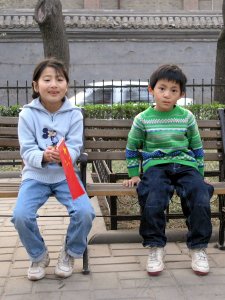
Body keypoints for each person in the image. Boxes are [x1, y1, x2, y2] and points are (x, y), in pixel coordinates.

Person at [123, 64, 214, 276]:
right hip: (156, 167)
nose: (167, 94)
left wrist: (200, 177)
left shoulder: (187, 117)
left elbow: (197, 148)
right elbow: (131, 148)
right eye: (162, 88)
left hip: (186, 166)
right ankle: (155, 247)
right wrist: (134, 174)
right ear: (151, 90)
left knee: (199, 195)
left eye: (174, 90)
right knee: (152, 196)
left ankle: (198, 248)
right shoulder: (142, 119)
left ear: (181, 94)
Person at [11, 57, 95, 281]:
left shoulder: (74, 114)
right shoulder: (27, 114)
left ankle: (69, 252)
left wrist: (64, 155)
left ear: (67, 84)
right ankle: (38, 255)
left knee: (85, 212)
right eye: (47, 79)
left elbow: (76, 146)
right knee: (20, 215)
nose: (54, 84)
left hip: (66, 175)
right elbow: (27, 149)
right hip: (35, 176)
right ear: (36, 85)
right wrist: (43, 156)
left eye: (59, 79)